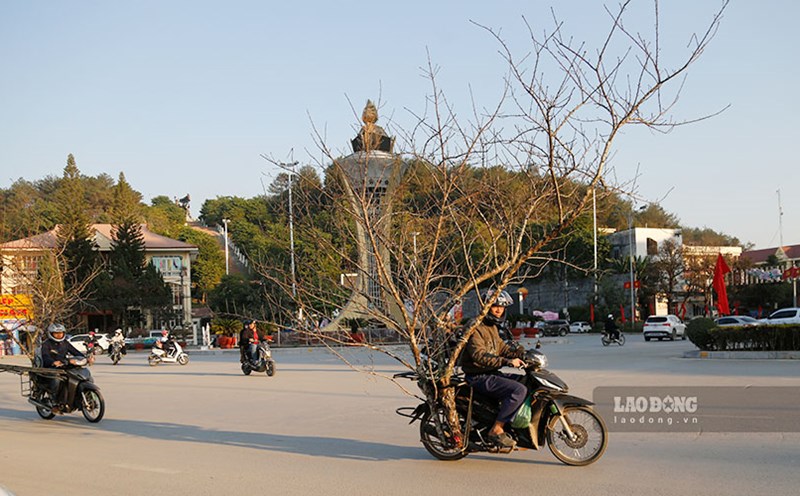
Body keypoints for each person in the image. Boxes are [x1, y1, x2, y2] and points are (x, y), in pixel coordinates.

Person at [460, 289, 526, 449]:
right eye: (495, 306)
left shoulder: (492, 326)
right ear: (486, 306)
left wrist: (521, 353)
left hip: (490, 373)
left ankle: (514, 427)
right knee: (518, 390)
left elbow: (501, 347)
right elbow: (478, 355)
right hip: (478, 376)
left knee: (526, 381)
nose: (498, 310)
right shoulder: (475, 327)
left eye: (502, 307)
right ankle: (496, 429)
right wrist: (507, 361)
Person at [40, 323, 86, 405]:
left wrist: (85, 358)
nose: (59, 335)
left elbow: (75, 352)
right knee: (57, 380)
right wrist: (53, 362)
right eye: (56, 333)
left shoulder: (65, 343)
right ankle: (54, 400)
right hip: (51, 368)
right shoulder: (46, 344)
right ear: (51, 334)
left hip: (64, 365)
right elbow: (45, 356)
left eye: (61, 333)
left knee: (81, 375)